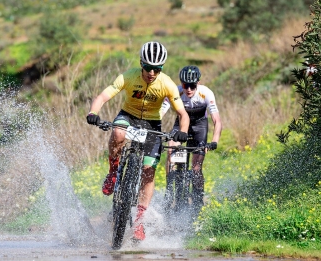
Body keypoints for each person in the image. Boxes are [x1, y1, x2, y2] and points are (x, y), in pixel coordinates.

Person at [86, 41, 190, 241]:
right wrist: (93, 112)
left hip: (152, 123)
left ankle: (140, 221)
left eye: (157, 69)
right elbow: (102, 96)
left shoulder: (166, 84)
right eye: (148, 67)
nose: (152, 72)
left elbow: (183, 114)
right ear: (141, 63)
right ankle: (113, 173)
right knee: (117, 133)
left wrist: (183, 131)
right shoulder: (128, 76)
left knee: (149, 171)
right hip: (129, 115)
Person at [160, 65, 222, 216]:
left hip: (200, 126)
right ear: (181, 84)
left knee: (196, 168)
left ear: (198, 83)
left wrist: (214, 141)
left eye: (192, 86)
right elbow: (160, 112)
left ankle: (198, 200)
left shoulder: (206, 93)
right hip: (181, 125)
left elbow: (217, 121)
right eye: (185, 85)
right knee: (171, 150)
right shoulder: (176, 91)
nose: (188, 89)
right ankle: (170, 191)